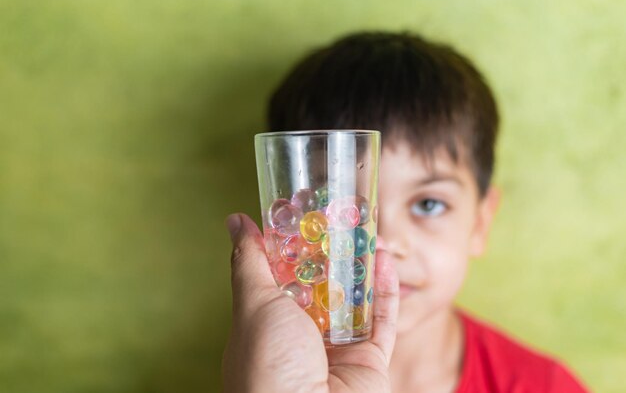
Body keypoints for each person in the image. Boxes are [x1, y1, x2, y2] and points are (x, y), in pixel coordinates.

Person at [222, 32, 589, 392]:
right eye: (342, 208)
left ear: (480, 222)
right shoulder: (268, 373)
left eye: (428, 204)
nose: (387, 241)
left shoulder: (548, 386)